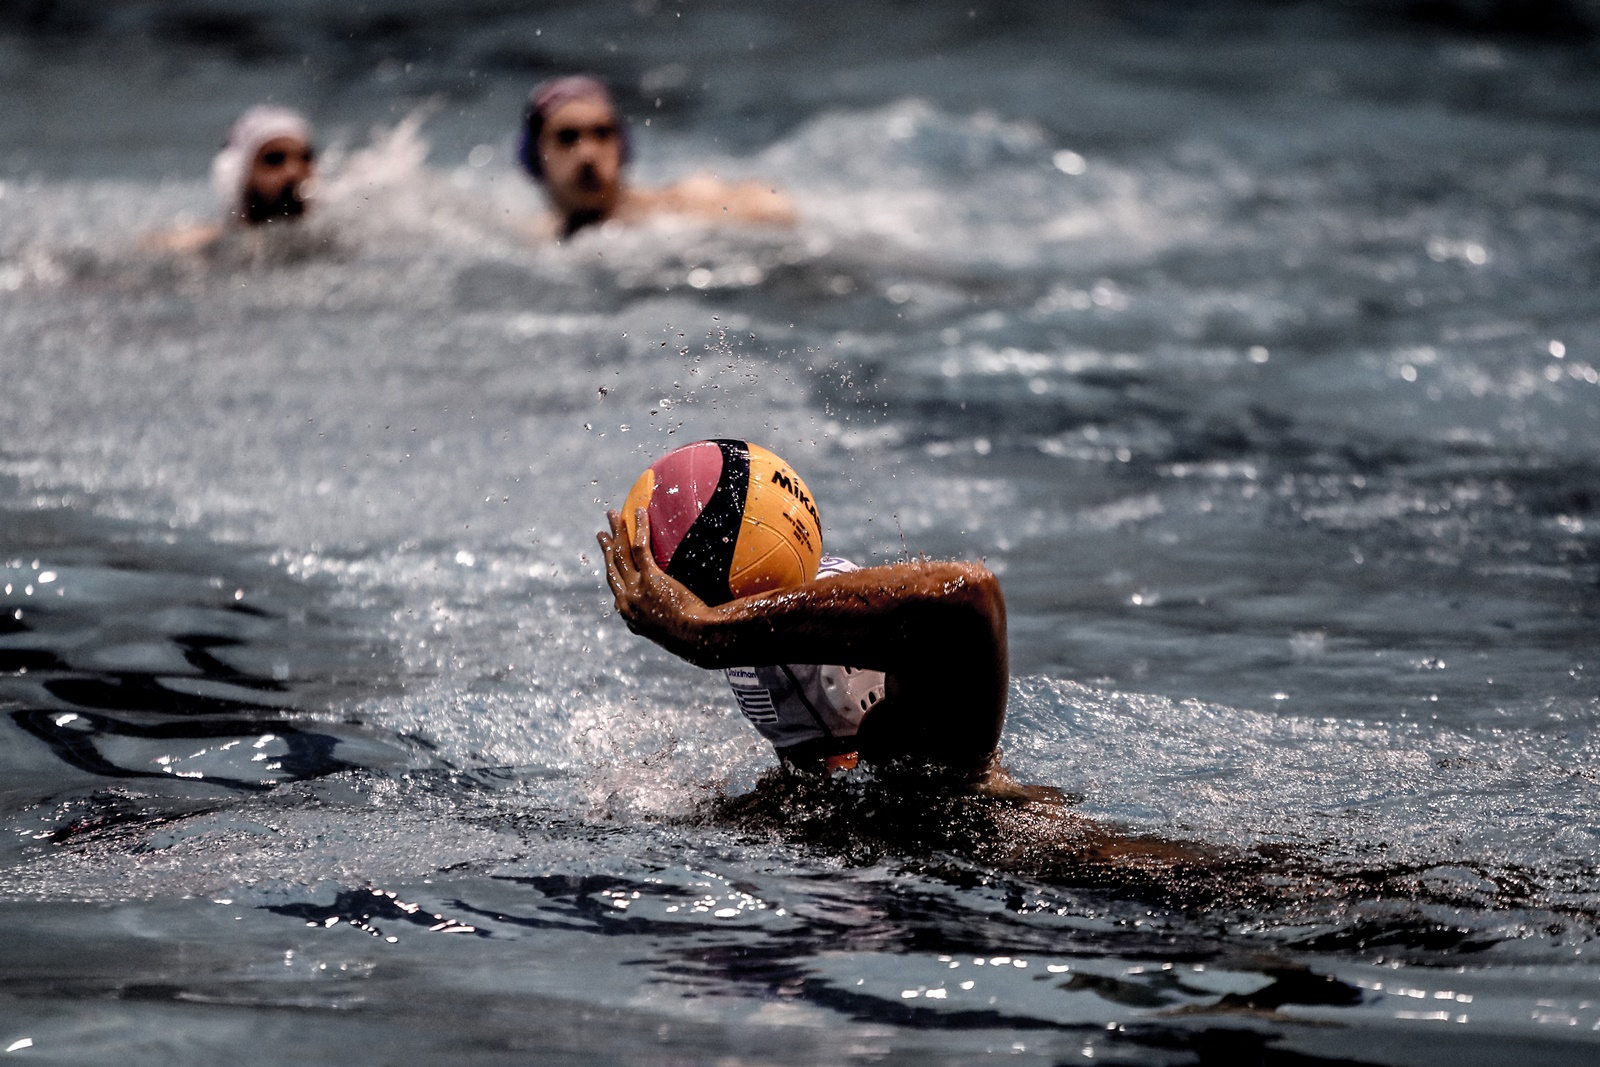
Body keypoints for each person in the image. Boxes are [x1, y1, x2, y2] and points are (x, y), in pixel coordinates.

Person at [597, 506, 1009, 782]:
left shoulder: (746, 821)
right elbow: (967, 596)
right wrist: (705, 631)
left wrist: (708, 628)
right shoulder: (931, 769)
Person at [521, 76, 795, 239]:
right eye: (567, 137)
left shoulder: (671, 208)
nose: (588, 154)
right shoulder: (536, 235)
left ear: (622, 147)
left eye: (602, 133)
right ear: (535, 155)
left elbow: (773, 207)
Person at [146, 106, 318, 253]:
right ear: (238, 175)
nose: (294, 172)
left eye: (306, 158)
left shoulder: (328, 237)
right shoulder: (198, 247)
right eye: (274, 160)